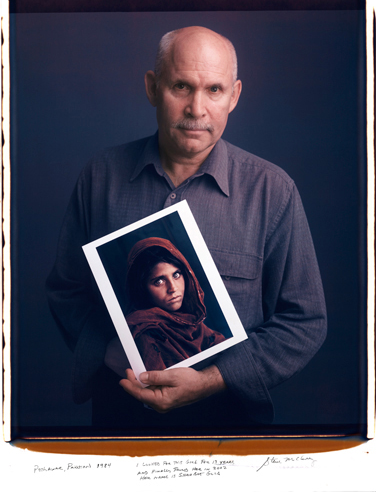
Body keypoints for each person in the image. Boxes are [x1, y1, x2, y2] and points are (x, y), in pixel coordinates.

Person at [46, 26, 327, 430]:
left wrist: (214, 380)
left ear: (234, 96)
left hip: (228, 428)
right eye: (181, 86)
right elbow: (66, 290)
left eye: (214, 89)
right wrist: (107, 349)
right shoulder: (100, 176)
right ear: (152, 87)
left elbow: (304, 321)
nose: (197, 108)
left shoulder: (273, 191)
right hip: (119, 421)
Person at [124, 237, 226, 371]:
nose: (173, 288)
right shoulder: (144, 331)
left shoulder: (191, 321)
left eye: (176, 275)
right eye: (159, 282)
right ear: (142, 289)